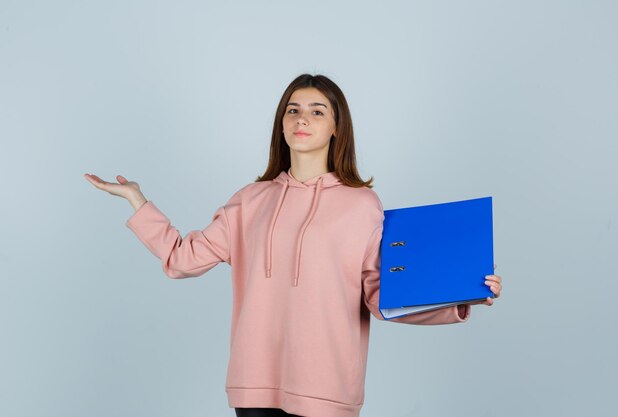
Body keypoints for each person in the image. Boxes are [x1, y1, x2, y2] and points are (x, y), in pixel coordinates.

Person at [84, 73, 503, 417]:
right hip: (254, 387)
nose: (302, 119)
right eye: (293, 110)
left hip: (328, 390)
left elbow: (382, 296)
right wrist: (138, 201)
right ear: (282, 124)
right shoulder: (250, 199)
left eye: (317, 111)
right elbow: (181, 260)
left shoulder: (362, 205)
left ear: (336, 126)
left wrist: (459, 299)